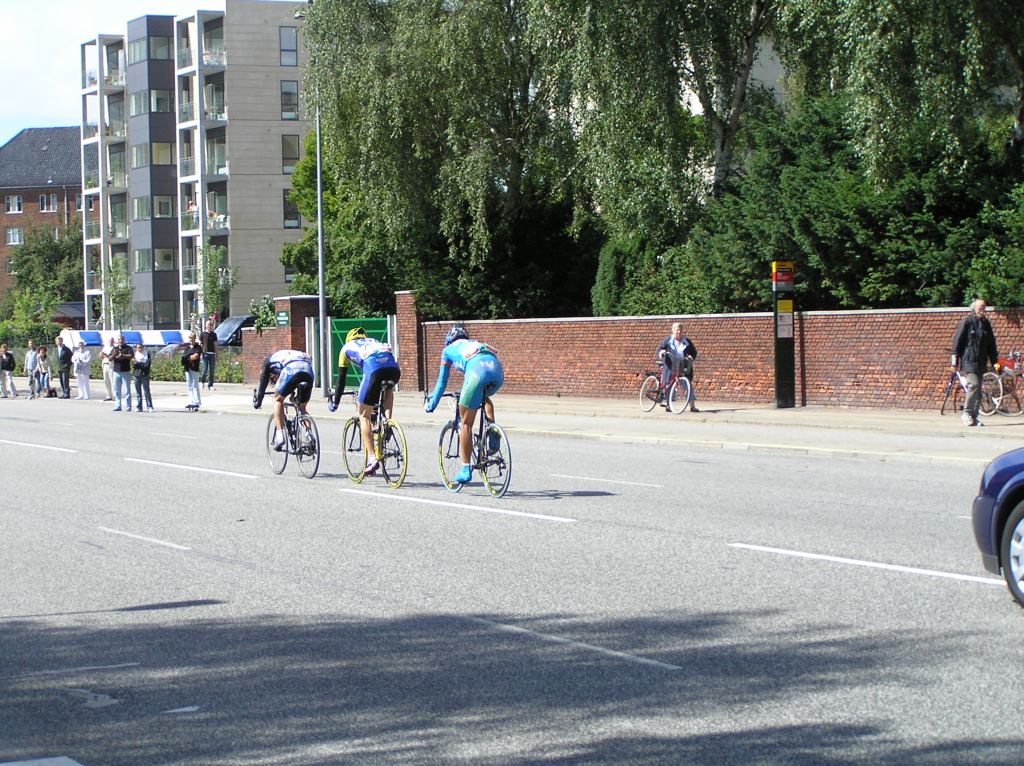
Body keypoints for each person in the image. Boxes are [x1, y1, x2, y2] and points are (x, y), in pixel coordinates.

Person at [424, 325, 504, 484]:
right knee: (484, 398)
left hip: (476, 372)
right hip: (496, 370)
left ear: (449, 339)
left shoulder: (447, 350)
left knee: (465, 423)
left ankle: (466, 468)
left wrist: (431, 404)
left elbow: (442, 382)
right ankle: (492, 432)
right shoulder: (474, 343)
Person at [327, 327, 401, 476]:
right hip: (393, 369)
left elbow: (341, 380)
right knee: (388, 388)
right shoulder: (374, 341)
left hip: (373, 370)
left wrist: (335, 402)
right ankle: (387, 422)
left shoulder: (346, 348)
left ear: (349, 339)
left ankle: (372, 459)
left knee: (363, 415)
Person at [252, 349, 315, 449]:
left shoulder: (269, 361)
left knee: (278, 399)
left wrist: (258, 401)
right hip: (308, 370)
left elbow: (263, 382)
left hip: (291, 369)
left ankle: (279, 435)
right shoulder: (289, 355)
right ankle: (309, 434)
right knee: (302, 407)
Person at [952, 298, 998, 427]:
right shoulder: (967, 322)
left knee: (978, 391)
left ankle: (974, 416)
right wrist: (954, 362)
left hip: (981, 362)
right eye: (980, 308)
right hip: (968, 360)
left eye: (984, 308)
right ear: (974, 309)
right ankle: (966, 413)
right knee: (974, 385)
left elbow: (991, 345)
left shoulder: (986, 324)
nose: (983, 311)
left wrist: (994, 362)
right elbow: (957, 342)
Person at [656, 321, 700, 412]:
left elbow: (694, 352)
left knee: (687, 384)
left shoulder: (686, 341)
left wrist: (691, 357)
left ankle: (692, 406)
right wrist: (662, 352)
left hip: (683, 365)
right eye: (677, 330)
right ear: (673, 331)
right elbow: (660, 349)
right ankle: (669, 404)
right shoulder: (668, 340)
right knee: (669, 383)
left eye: (680, 330)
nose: (679, 332)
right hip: (670, 365)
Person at [110, 334, 134, 411]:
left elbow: (131, 356)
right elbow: (110, 358)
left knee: (127, 390)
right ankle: (117, 406)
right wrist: (114, 355)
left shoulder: (128, 348)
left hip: (125, 371)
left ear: (124, 340)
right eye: (119, 339)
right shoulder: (115, 349)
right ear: (117, 341)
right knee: (117, 390)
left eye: (122, 339)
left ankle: (128, 406)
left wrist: (123, 355)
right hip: (116, 371)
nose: (120, 341)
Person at [181, 333, 203, 411]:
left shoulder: (198, 347)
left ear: (194, 339)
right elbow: (184, 357)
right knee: (189, 385)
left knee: (195, 385)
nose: (191, 340)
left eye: (192, 338)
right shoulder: (187, 348)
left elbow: (196, 356)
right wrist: (189, 356)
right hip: (187, 368)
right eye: (190, 338)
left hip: (194, 368)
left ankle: (196, 402)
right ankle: (191, 401)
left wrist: (188, 357)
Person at [132, 344, 154, 412]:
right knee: (138, 392)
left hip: (144, 375)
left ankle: (149, 406)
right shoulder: (135, 355)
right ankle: (139, 407)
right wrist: (138, 364)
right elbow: (134, 365)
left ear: (143, 347)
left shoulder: (147, 354)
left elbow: (146, 365)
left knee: (147, 392)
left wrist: (138, 363)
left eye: (140, 347)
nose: (139, 349)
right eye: (138, 348)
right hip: (136, 375)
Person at [199, 318, 218, 389]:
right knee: (204, 369)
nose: (209, 326)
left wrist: (217, 355)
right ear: (206, 326)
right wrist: (200, 353)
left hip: (212, 354)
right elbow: (200, 344)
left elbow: (215, 345)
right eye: (208, 325)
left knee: (212, 371)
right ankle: (202, 382)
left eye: (210, 325)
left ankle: (210, 385)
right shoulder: (202, 334)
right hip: (205, 354)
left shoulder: (214, 334)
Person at [99, 337, 115, 401]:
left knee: (112, 381)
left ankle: (114, 395)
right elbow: (101, 355)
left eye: (112, 341)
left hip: (111, 365)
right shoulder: (105, 347)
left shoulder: (114, 348)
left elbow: (111, 356)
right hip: (105, 364)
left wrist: (106, 355)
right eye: (110, 341)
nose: (111, 342)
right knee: (106, 380)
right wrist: (102, 355)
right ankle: (109, 395)